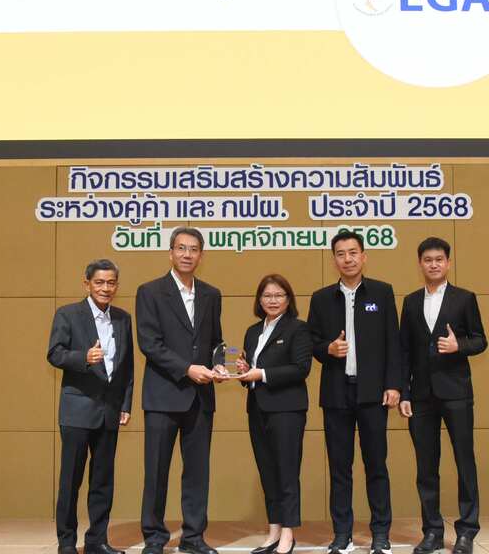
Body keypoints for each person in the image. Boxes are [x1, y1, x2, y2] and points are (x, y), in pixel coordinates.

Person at [308, 231, 401, 554]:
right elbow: (311, 343)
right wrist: (328, 348)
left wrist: (394, 385)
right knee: (339, 468)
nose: (347, 259)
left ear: (364, 256)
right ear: (333, 259)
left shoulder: (382, 292)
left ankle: (380, 533)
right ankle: (342, 534)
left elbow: (393, 343)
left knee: (376, 465)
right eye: (340, 253)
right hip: (336, 393)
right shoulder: (321, 298)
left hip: (373, 393)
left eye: (352, 252)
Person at [136, 227, 224, 554]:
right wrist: (187, 369)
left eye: (194, 249)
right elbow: (149, 343)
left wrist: (221, 364)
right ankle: (154, 538)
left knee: (198, 473)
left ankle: (193, 537)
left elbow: (216, 341)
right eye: (181, 248)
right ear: (170, 252)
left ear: (201, 255)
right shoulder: (150, 292)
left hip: (201, 398)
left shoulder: (212, 294)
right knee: (156, 472)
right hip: (163, 396)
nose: (187, 254)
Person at [399, 237, 488, 554]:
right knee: (426, 467)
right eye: (428, 260)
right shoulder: (410, 302)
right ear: (420, 264)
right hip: (420, 396)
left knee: (465, 461)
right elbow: (404, 351)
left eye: (439, 259)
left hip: (456, 393)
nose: (433, 264)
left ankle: (467, 531)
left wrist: (458, 345)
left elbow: (480, 340)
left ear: (448, 263)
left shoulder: (464, 298)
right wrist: (404, 392)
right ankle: (432, 531)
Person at [47, 259, 134, 554]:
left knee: (103, 481)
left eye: (111, 283)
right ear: (87, 284)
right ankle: (67, 542)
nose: (105, 288)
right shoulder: (68, 314)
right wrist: (83, 357)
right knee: (71, 480)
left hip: (110, 411)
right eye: (99, 282)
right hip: (77, 410)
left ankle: (97, 540)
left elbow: (127, 366)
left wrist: (125, 404)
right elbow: (55, 353)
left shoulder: (123, 318)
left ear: (116, 286)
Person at [236, 274, 313, 554]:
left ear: (288, 299)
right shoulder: (252, 331)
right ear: (259, 300)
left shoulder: (298, 329)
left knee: (287, 471)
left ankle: (288, 533)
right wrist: (244, 371)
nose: (272, 300)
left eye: (279, 295)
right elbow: (250, 372)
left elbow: (301, 368)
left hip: (287, 410)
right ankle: (274, 531)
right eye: (267, 295)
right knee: (267, 471)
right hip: (257, 408)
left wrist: (261, 374)